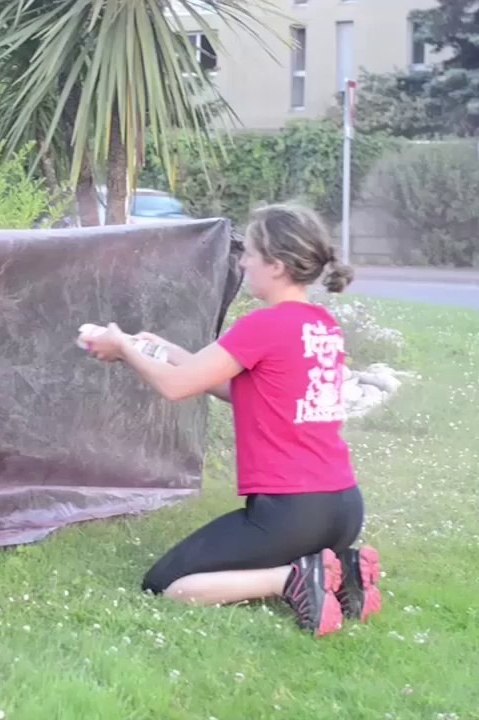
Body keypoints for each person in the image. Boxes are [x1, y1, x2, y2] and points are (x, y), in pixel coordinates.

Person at [77, 203, 382, 637]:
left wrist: (123, 349)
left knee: (166, 585)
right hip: (343, 507)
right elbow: (239, 387)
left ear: (275, 265)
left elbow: (177, 387)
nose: (242, 262)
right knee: (201, 570)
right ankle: (345, 570)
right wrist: (156, 349)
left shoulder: (264, 325)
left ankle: (293, 579)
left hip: (292, 512)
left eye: (250, 254)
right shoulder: (322, 325)